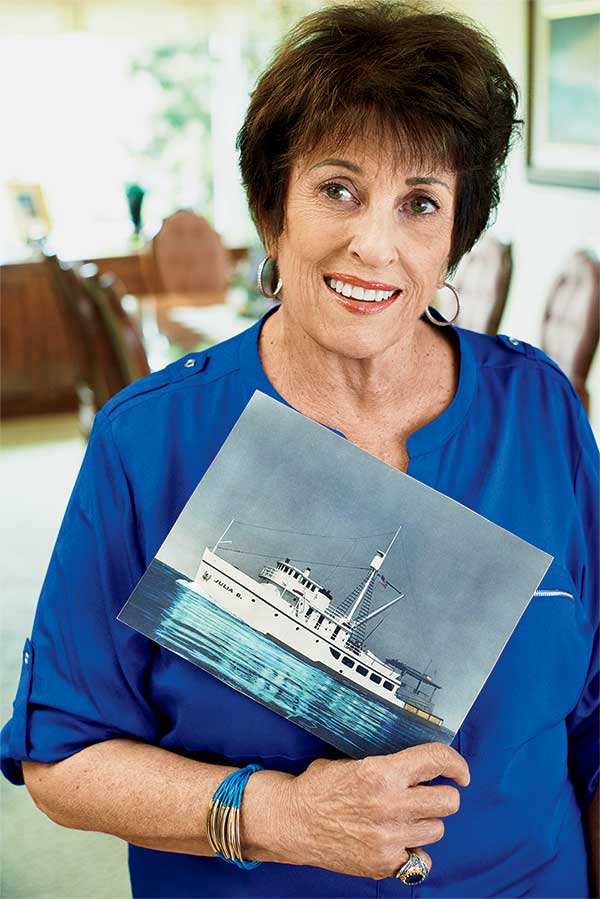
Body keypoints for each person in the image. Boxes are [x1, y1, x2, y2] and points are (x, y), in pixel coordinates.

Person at [2, 2, 598, 897]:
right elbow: (61, 754)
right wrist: (281, 816)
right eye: (339, 188)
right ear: (272, 208)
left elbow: (592, 710)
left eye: (420, 203)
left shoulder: (542, 408)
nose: (375, 243)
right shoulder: (152, 439)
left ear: (454, 241)